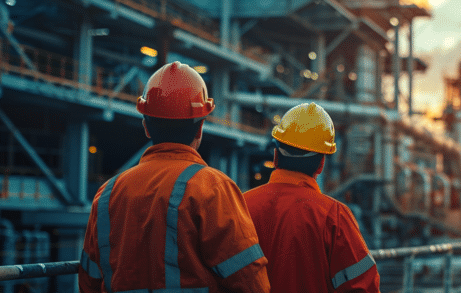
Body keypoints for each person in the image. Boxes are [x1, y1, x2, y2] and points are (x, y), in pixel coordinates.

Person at [78, 62, 270, 293]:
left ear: (146, 126)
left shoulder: (107, 194)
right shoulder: (213, 188)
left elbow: (89, 281)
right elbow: (251, 283)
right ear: (200, 128)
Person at [244, 102, 380, 292]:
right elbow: (363, 287)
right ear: (321, 165)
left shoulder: (241, 205)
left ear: (275, 157)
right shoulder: (334, 217)